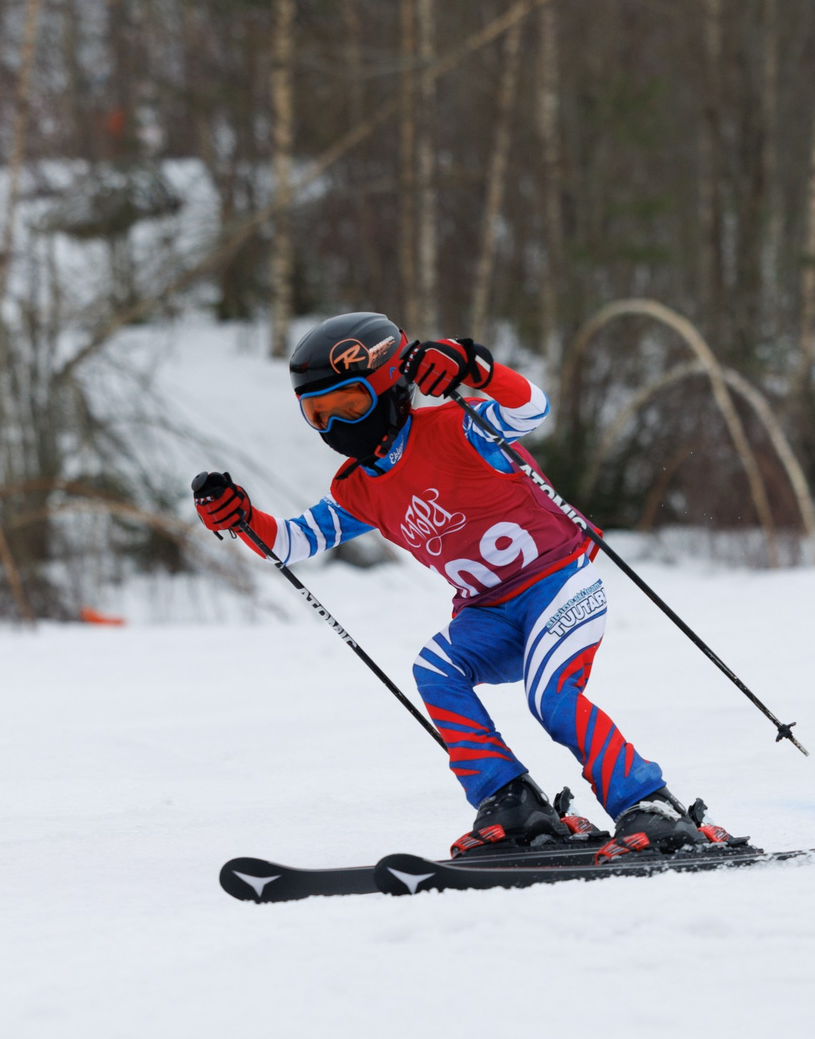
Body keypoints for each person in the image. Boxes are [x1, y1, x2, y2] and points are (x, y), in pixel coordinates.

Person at [191, 310, 736, 862]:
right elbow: (288, 544)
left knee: (550, 696)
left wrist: (472, 365)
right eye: (318, 414)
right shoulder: (361, 487)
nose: (336, 427)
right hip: (487, 611)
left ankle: (650, 804)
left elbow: (530, 409)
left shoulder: (458, 426)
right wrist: (241, 517)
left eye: (349, 405)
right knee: (436, 671)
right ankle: (513, 800)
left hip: (558, 581)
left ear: (388, 387)